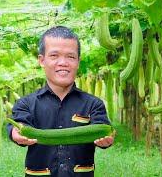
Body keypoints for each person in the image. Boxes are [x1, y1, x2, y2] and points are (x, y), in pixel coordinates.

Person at [7, 26, 114, 177]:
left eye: (70, 57)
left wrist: (107, 138)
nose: (63, 62)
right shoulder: (25, 103)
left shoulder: (93, 104)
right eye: (54, 55)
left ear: (78, 61)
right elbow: (19, 123)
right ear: (42, 60)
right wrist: (15, 132)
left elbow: (103, 128)